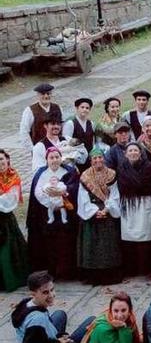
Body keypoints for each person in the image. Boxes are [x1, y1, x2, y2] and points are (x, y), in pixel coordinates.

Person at [27, 147, 79, 278]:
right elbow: (37, 193)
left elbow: (74, 188)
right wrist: (50, 204)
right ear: (46, 160)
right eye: (51, 157)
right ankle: (52, 270)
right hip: (47, 213)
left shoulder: (70, 171)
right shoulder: (41, 173)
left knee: (66, 242)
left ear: (61, 158)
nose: (54, 160)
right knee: (50, 243)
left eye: (57, 157)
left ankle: (67, 271)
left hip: (66, 212)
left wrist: (63, 196)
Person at [77, 149, 123, 285]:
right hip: (92, 213)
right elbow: (82, 197)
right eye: (95, 158)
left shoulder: (111, 174)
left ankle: (110, 275)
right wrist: (94, 211)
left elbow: (115, 194)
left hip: (108, 211)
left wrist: (107, 209)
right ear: (90, 161)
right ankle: (93, 276)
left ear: (104, 159)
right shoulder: (85, 176)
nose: (98, 161)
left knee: (109, 246)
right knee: (93, 246)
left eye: (100, 157)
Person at [115, 142, 151, 277]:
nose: (133, 153)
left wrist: (133, 185)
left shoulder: (149, 167)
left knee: (147, 235)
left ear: (141, 153)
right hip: (129, 204)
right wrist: (136, 185)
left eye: (136, 150)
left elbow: (145, 185)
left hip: (145, 203)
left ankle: (148, 268)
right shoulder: (121, 168)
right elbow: (123, 186)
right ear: (125, 153)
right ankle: (132, 268)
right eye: (130, 151)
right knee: (129, 236)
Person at [12, 271, 86, 343]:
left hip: (41, 335)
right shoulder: (38, 319)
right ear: (33, 294)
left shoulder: (26, 302)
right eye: (45, 292)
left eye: (52, 290)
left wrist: (59, 336)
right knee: (91, 322)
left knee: (60, 313)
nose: (51, 295)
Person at [0, 149, 28, 292]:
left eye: (2, 160)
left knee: (7, 250)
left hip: (5, 220)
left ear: (7, 161)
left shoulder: (13, 177)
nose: (0, 163)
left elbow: (10, 201)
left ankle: (10, 280)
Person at [19, 83, 63, 151]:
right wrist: (33, 149)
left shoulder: (58, 108)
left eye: (48, 94)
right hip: (40, 149)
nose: (46, 96)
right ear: (38, 95)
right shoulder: (30, 111)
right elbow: (24, 131)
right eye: (43, 94)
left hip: (58, 149)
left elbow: (63, 127)